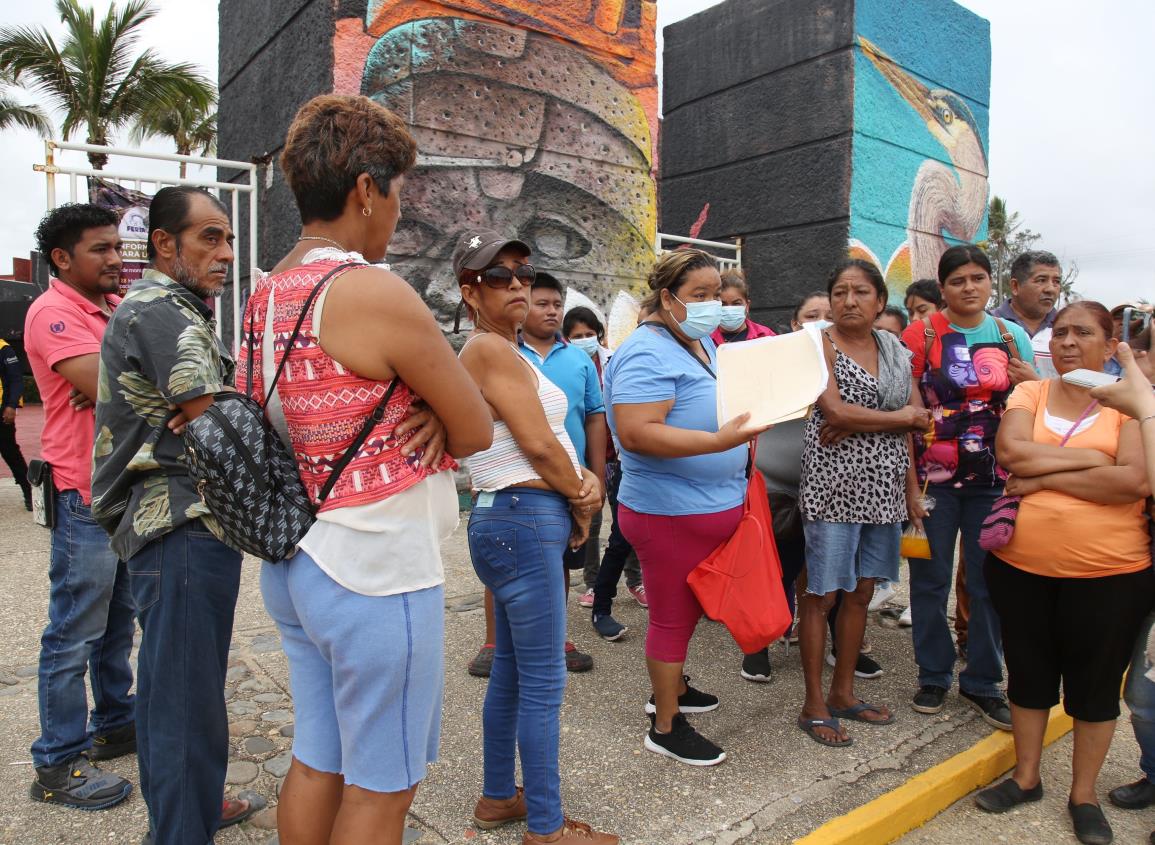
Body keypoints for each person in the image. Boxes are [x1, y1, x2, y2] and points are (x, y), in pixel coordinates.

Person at [239, 96, 493, 845]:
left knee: (318, 759)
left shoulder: (265, 294)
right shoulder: (370, 289)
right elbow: (476, 427)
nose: (396, 211)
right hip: (376, 570)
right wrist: (441, 416)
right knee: (384, 788)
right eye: (398, 192)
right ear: (364, 190)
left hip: (297, 563)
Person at [91, 186, 250, 844]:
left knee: (167, 698)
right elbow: (213, 418)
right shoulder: (163, 312)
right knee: (186, 709)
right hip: (182, 525)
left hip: (170, 529)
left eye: (229, 238)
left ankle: (183, 818)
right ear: (164, 243)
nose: (225, 252)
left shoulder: (168, 308)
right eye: (208, 237)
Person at [454, 229, 615, 844]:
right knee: (545, 681)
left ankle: (500, 796)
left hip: (511, 516)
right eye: (499, 276)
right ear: (471, 291)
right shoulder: (490, 351)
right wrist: (583, 493)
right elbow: (539, 443)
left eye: (523, 271)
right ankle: (547, 828)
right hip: (523, 516)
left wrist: (579, 489)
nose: (518, 283)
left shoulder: (503, 351)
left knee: (514, 673)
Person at [977, 302, 1152, 845]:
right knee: (1028, 677)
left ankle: (1084, 795)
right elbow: (1010, 452)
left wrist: (1041, 476)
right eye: (1062, 332)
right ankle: (1026, 778)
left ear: (1109, 344)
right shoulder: (1031, 392)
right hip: (1020, 569)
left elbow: (1134, 483)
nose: (1069, 342)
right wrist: (1094, 462)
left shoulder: (1130, 403)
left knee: (1094, 687)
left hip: (1111, 576)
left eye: (1084, 333)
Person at [606, 248, 768, 766]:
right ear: (666, 297)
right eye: (698, 297)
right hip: (667, 512)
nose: (711, 306)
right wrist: (721, 443)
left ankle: (674, 687)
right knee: (672, 617)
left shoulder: (698, 341)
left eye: (714, 296)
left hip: (709, 506)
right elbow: (636, 433)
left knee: (689, 611)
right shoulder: (643, 353)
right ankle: (666, 725)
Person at [23, 203, 136, 810]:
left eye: (117, 247)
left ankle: (116, 721)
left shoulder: (112, 309)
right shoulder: (52, 313)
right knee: (73, 633)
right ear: (63, 259)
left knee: (118, 624)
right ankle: (57, 763)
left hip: (121, 492)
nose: (116, 259)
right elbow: (111, 386)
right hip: (84, 495)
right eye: (101, 249)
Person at [900, 244, 1035, 729]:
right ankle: (933, 675)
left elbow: (1032, 400)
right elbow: (908, 412)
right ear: (944, 289)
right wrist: (910, 488)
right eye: (958, 281)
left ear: (990, 283)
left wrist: (1031, 378)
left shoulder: (1008, 333)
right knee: (930, 582)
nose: (969, 287)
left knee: (986, 585)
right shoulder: (922, 333)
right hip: (933, 481)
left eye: (978, 278)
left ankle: (982, 681)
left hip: (994, 481)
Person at [795, 260, 929, 746]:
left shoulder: (894, 347)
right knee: (821, 594)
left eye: (861, 292)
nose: (849, 301)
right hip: (833, 486)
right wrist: (898, 417)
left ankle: (844, 693)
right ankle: (813, 702)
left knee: (860, 594)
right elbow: (833, 410)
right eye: (840, 291)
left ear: (879, 301)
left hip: (886, 488)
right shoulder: (818, 345)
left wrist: (912, 489)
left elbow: (918, 423)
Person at [520, 272, 603, 666]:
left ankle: (558, 638)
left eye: (557, 304)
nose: (552, 311)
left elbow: (594, 417)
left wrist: (597, 474)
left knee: (564, 560)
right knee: (512, 565)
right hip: (521, 478)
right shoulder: (505, 354)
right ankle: (495, 643)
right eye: (542, 303)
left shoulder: (578, 358)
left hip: (572, 480)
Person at [563, 306, 645, 641]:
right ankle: (594, 584)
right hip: (588, 458)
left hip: (620, 458)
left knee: (626, 523)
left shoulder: (615, 360)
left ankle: (635, 579)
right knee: (592, 522)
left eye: (589, 334)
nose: (585, 341)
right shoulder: (569, 365)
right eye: (577, 336)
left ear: (600, 334)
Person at [991, 250, 1062, 378]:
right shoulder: (989, 324)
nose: (1050, 289)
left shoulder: (1067, 329)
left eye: (1056, 281)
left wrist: (1034, 384)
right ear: (1015, 286)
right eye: (1041, 280)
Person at [0, 336, 30, 509]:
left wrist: (11, 405)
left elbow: (16, 379)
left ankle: (29, 492)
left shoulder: (4, 348)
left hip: (2, 410)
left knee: (10, 452)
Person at [710, 268, 776, 345]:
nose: (729, 310)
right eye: (723, 304)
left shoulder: (766, 336)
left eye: (736, 303)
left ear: (747, 306)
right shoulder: (704, 339)